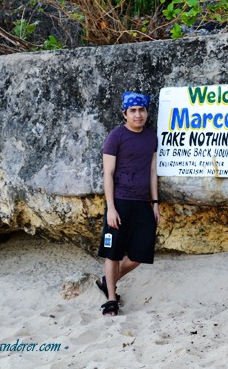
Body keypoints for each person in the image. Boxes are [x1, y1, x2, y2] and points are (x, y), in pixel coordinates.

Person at [95, 91, 160, 316]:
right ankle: (111, 298)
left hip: (142, 202)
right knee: (112, 252)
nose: (138, 114)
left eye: (141, 110)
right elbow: (108, 173)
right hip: (120, 201)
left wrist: (155, 203)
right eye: (132, 111)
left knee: (140, 254)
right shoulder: (116, 136)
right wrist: (111, 207)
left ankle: (107, 281)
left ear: (146, 112)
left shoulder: (151, 137)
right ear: (125, 113)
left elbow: (153, 171)